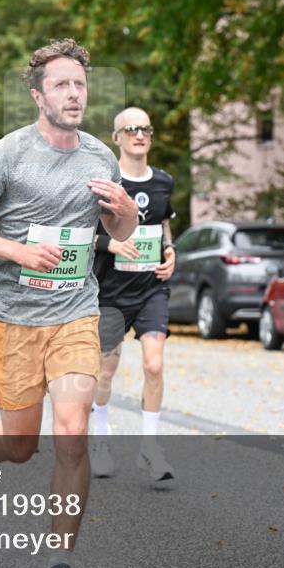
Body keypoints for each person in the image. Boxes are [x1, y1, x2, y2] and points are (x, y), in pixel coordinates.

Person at [0, 38, 137, 568]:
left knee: (72, 432)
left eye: (80, 84)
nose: (74, 94)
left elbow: (117, 235)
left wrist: (124, 215)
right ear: (37, 95)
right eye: (61, 85)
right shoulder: (6, 155)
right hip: (13, 317)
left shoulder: (101, 157)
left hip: (76, 310)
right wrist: (16, 251)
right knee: (22, 446)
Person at [89, 106, 177, 488]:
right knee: (105, 371)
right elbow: (84, 234)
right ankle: (100, 437)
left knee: (154, 365)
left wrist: (171, 254)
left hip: (150, 287)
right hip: (110, 292)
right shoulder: (105, 183)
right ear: (117, 138)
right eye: (131, 129)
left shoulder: (163, 182)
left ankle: (149, 446)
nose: (139, 135)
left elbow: (163, 226)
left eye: (145, 129)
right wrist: (111, 245)